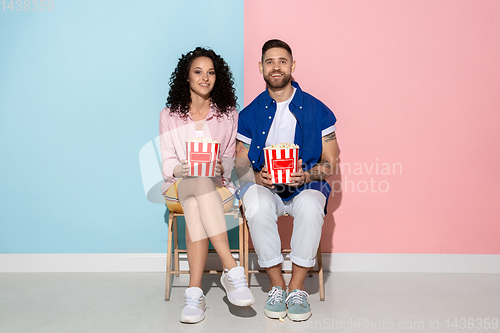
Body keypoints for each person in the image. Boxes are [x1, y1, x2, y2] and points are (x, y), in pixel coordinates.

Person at [235, 39, 339, 322]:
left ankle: (296, 288)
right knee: (254, 202)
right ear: (261, 68)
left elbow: (331, 161)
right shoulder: (250, 113)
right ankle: (277, 286)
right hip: (266, 188)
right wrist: (257, 176)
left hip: (305, 185)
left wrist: (307, 174)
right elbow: (240, 160)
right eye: (270, 61)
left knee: (309, 205)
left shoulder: (318, 110)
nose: (276, 67)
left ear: (293, 65)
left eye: (282, 61)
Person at [160, 47, 254, 324]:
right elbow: (166, 162)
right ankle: (232, 270)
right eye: (198, 72)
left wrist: (220, 166)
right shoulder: (170, 115)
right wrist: (181, 168)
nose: (205, 77)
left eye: (211, 72)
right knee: (193, 185)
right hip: (178, 186)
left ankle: (194, 293)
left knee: (194, 204)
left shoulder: (228, 114)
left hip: (216, 188)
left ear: (218, 77)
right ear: (186, 77)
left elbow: (233, 160)